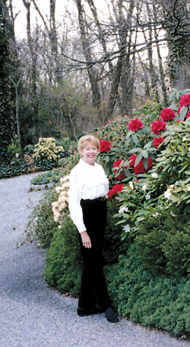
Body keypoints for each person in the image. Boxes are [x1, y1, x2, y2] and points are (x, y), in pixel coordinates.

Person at [68, 134, 119, 323]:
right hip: (86, 214)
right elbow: (73, 204)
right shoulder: (76, 172)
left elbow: (104, 191)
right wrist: (82, 231)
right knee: (93, 262)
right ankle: (106, 305)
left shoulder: (99, 168)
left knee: (93, 259)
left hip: (100, 212)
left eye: (94, 148)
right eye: (87, 148)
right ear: (81, 152)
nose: (91, 151)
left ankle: (85, 305)